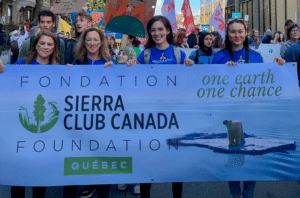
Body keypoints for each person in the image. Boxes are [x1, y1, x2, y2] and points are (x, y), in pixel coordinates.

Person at [212, 18, 284, 198]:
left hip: (253, 113)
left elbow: (266, 83)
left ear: (246, 33)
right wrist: (223, 71)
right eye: (232, 32)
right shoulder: (218, 57)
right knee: (234, 153)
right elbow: (211, 87)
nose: (237, 35)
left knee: (252, 154)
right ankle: (235, 193)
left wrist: (279, 67)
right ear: (227, 34)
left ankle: (248, 194)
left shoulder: (256, 57)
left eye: (240, 32)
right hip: (230, 113)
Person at [135, 15, 194, 198]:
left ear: (168, 31)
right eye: (153, 30)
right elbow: (133, 82)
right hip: (150, 116)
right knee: (148, 158)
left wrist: (191, 68)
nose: (157, 33)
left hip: (174, 116)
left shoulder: (179, 54)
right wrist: (129, 67)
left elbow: (188, 84)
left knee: (175, 159)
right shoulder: (144, 55)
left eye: (160, 29)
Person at [11, 30, 59, 198]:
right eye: (42, 43)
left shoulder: (58, 70)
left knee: (39, 177)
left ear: (54, 48)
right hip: (21, 128)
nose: (45, 47)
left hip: (46, 131)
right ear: (35, 45)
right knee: (18, 176)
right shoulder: (22, 64)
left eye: (49, 45)